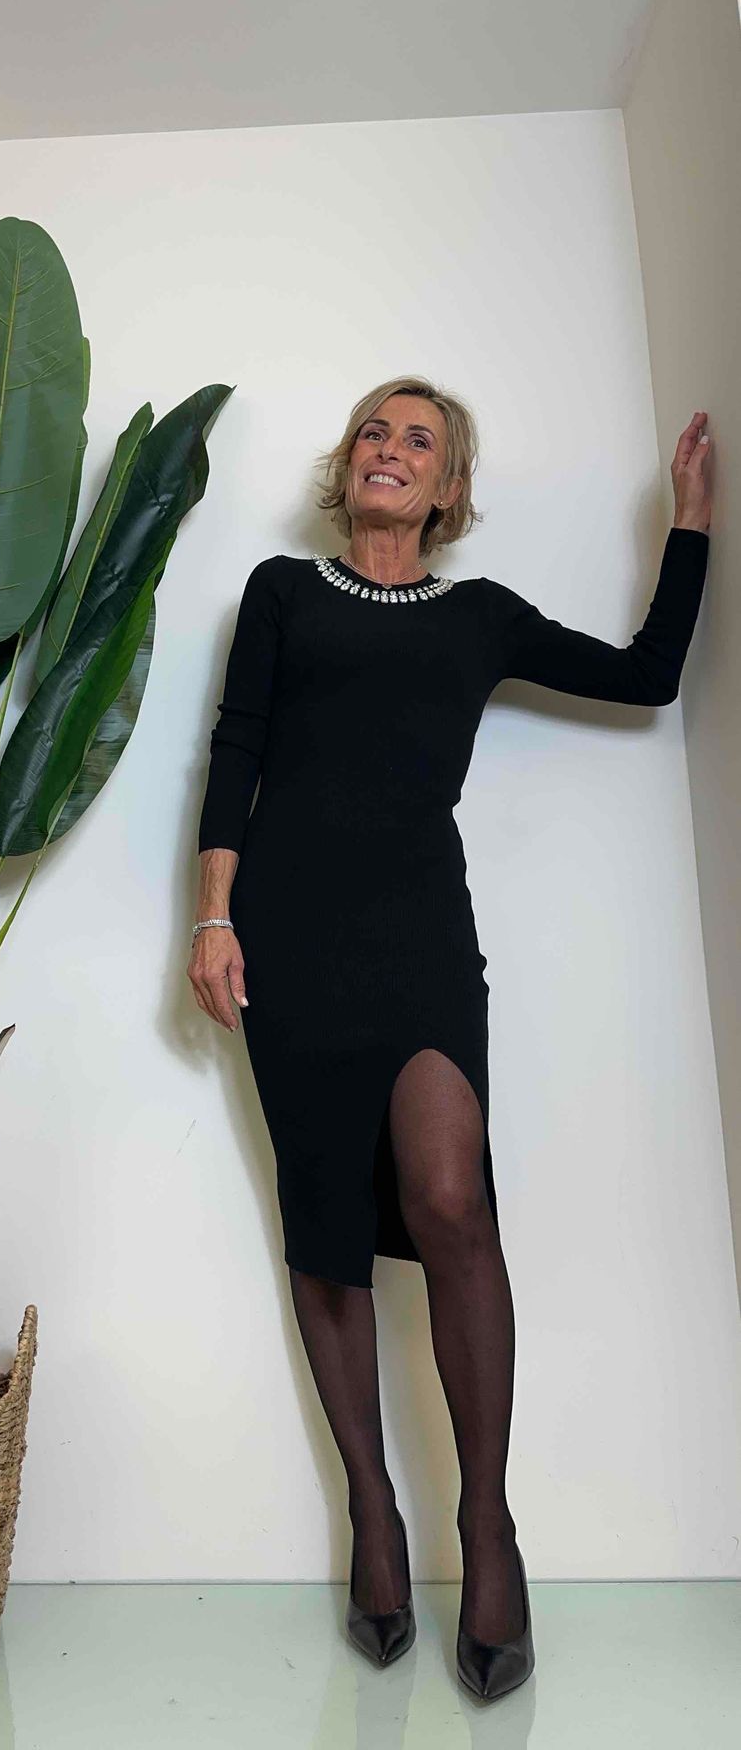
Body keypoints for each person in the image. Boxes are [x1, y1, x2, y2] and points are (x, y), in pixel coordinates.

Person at [187, 377, 711, 1698]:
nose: (390, 449)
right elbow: (236, 750)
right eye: (375, 430)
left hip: (420, 943)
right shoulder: (280, 593)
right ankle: (373, 1511)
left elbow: (644, 678)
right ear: (350, 465)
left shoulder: (478, 620)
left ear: (448, 490)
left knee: (449, 1199)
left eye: (418, 441)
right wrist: (213, 915)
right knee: (323, 1230)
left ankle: (486, 1524)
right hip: (289, 945)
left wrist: (690, 526)